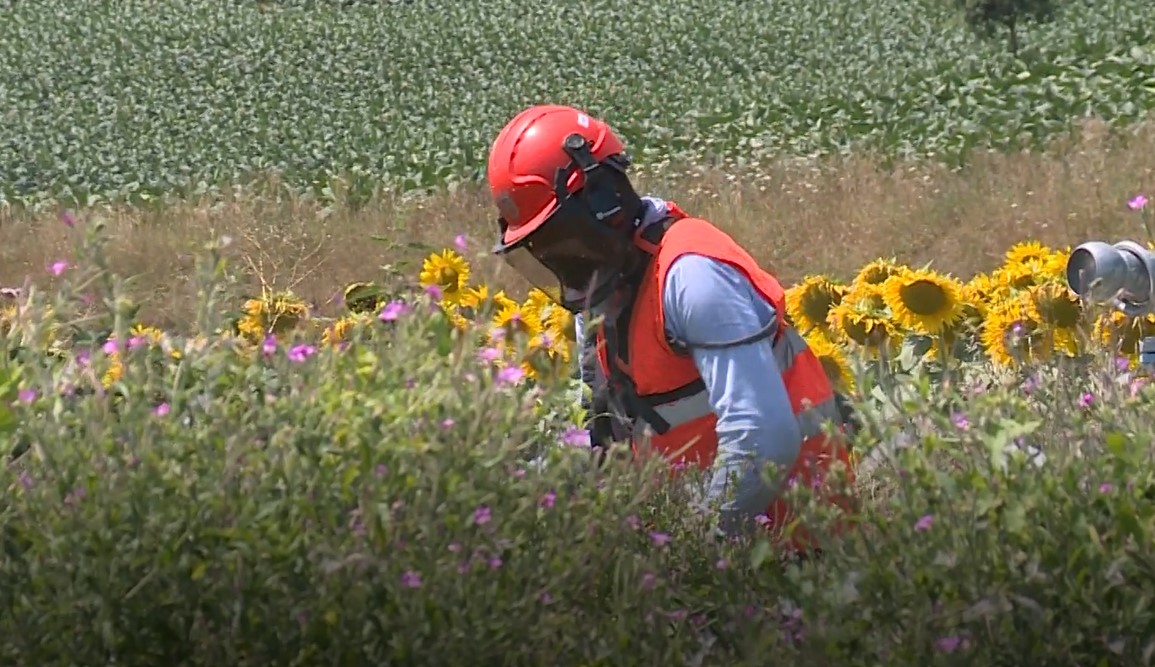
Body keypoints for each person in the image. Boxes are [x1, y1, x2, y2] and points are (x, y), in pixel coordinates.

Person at [485, 104, 857, 552]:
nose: (561, 262)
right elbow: (612, 443)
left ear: (606, 202)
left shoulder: (691, 276)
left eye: (563, 239)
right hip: (717, 554)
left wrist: (686, 549)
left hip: (795, 554)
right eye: (542, 250)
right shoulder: (605, 294)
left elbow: (763, 437)